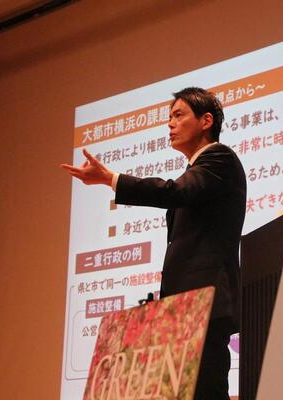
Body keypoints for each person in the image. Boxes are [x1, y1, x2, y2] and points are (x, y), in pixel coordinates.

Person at [61, 87, 246, 399]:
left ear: (206, 121)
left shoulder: (219, 158)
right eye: (169, 117)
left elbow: (174, 192)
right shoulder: (198, 170)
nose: (170, 124)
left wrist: (111, 179)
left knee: (207, 390)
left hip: (205, 304)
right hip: (183, 309)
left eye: (178, 115)